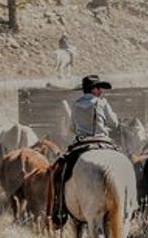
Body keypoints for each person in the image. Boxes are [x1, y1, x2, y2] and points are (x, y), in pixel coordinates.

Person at [50, 75, 120, 228]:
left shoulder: (76, 105)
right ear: (94, 89)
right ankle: (129, 204)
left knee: (61, 172)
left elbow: (72, 128)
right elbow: (114, 123)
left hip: (82, 144)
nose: (101, 91)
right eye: (99, 88)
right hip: (103, 141)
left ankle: (59, 208)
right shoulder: (102, 102)